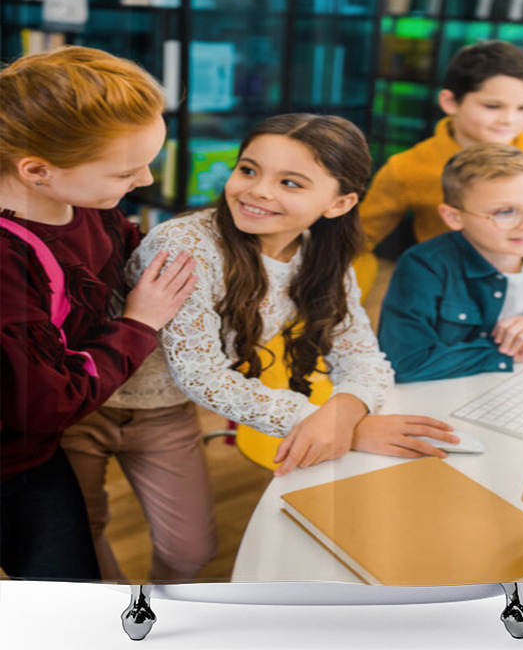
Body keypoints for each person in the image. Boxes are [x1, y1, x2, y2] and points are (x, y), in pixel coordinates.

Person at [67, 113, 458, 581]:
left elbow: (359, 354)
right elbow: (202, 375)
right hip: (85, 404)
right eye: (249, 170)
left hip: (165, 412)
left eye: (291, 182)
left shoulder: (324, 258)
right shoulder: (185, 243)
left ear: (340, 203)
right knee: (81, 540)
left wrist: (344, 411)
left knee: (191, 551)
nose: (257, 191)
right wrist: (337, 428)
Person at [0, 46, 197, 581]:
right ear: (38, 171)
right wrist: (139, 324)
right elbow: (45, 402)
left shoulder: (87, 207)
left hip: (34, 457)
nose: (149, 182)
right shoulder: (8, 262)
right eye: (126, 172)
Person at [360, 40, 523, 271]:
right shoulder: (407, 168)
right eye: (492, 106)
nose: (510, 119)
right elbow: (360, 239)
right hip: (452, 302)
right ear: (450, 101)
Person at [378, 144, 523, 383]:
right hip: (452, 394)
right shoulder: (424, 266)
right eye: (505, 212)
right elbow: (403, 361)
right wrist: (505, 355)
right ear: (454, 217)